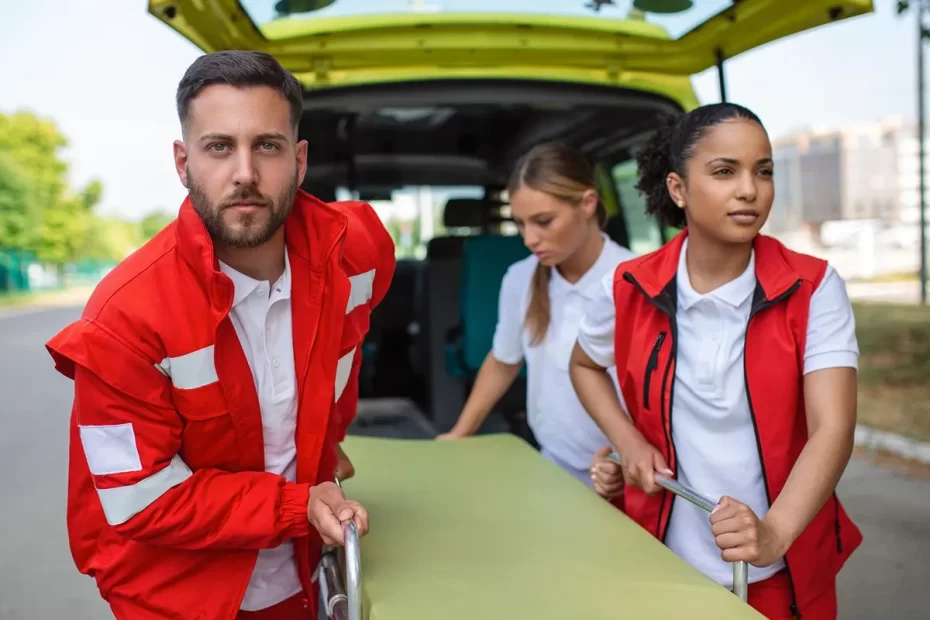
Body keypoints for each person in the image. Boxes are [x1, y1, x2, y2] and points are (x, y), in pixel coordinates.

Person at [44, 51, 395, 620]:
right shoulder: (123, 316)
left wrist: (325, 441)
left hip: (305, 578)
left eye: (267, 145)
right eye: (219, 147)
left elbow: (345, 345)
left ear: (300, 160)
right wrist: (295, 503)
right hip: (180, 597)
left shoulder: (357, 250)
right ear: (183, 162)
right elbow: (142, 499)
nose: (245, 174)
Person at [569, 103, 861, 620]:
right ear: (679, 189)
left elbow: (832, 428)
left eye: (763, 171)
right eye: (725, 171)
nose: (750, 189)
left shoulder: (814, 287)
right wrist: (628, 442)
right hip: (657, 562)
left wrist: (774, 533)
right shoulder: (630, 285)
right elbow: (584, 366)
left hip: (779, 573)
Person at [437, 142, 636, 490]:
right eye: (520, 224)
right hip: (551, 465)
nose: (529, 238)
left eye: (544, 221)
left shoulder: (631, 281)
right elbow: (503, 361)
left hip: (621, 474)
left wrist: (624, 457)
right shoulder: (520, 278)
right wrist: (458, 434)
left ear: (588, 204)